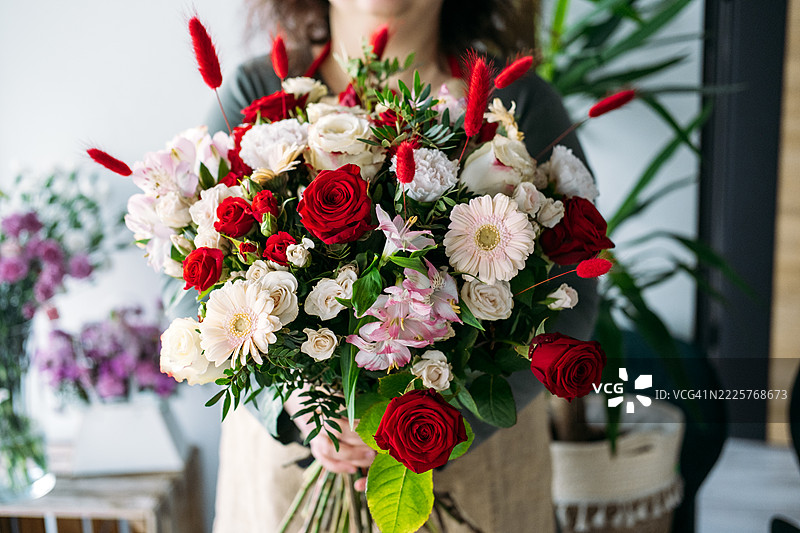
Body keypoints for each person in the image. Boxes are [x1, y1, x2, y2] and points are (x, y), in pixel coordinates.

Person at [209, 1, 598, 531]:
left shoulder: (522, 102)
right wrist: (296, 412)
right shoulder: (258, 93)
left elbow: (574, 292)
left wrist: (441, 427)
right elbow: (192, 282)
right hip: (292, 471)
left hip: (481, 469)